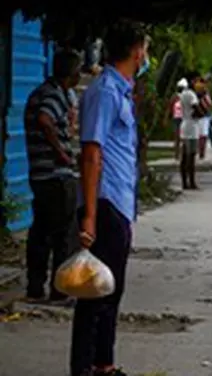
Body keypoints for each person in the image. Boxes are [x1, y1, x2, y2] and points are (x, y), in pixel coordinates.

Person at [72, 21, 148, 376]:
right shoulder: (104, 91)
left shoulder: (121, 91)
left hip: (119, 202)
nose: (146, 55)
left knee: (110, 288)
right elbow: (91, 152)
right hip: (103, 203)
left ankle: (104, 364)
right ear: (136, 51)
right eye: (145, 48)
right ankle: (85, 367)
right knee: (94, 294)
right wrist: (88, 215)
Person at [23, 49, 83, 305]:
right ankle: (60, 290)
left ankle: (36, 288)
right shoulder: (52, 95)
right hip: (55, 174)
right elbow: (45, 119)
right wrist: (61, 153)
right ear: (72, 73)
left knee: (41, 232)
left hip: (40, 174)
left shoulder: (43, 92)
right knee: (64, 234)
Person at [176, 74, 201, 190]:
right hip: (192, 126)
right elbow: (196, 109)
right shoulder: (191, 95)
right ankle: (191, 181)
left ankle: (185, 182)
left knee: (185, 156)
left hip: (185, 124)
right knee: (191, 156)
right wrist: (202, 113)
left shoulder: (183, 94)